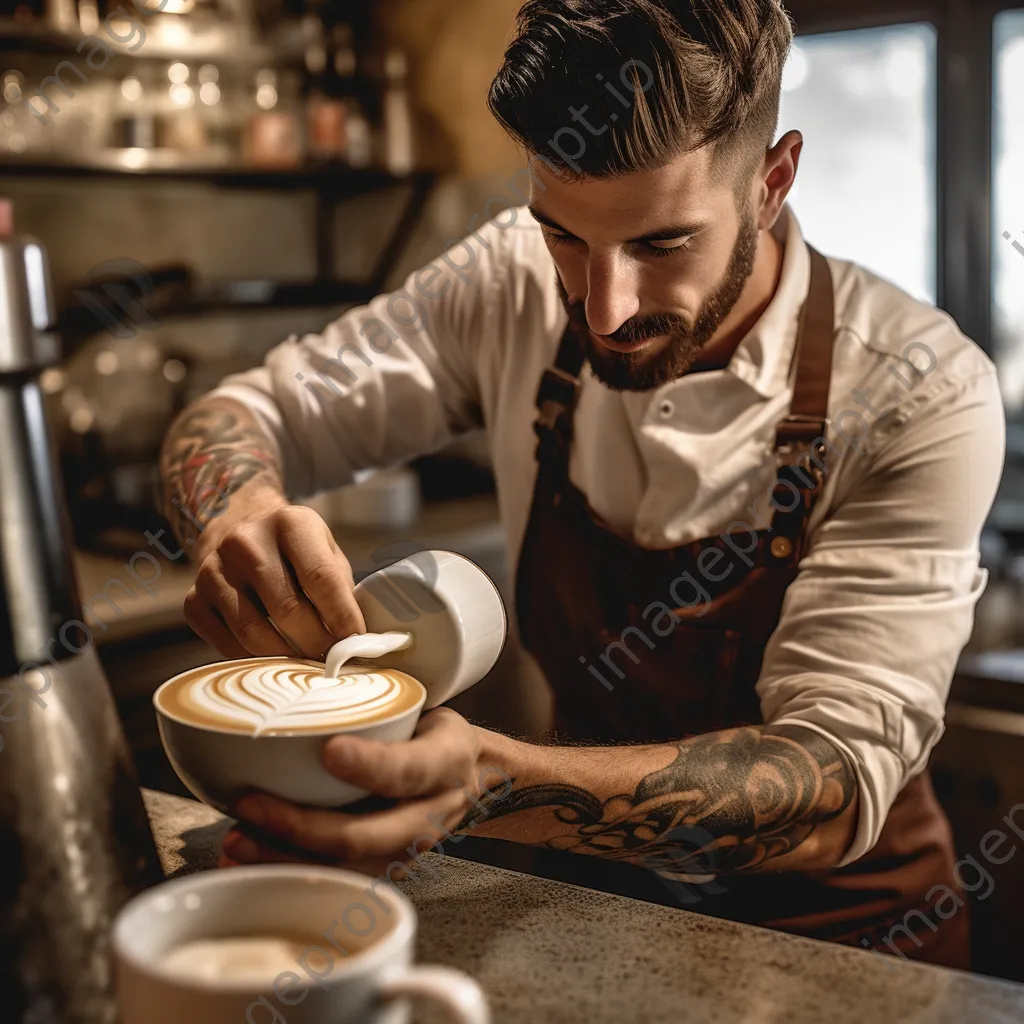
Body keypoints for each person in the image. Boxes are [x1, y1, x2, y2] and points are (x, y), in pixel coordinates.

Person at [158, 0, 1005, 967]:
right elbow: (236, 418)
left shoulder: (921, 389)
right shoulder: (507, 282)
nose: (604, 309)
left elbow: (829, 780)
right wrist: (237, 510)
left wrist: (491, 781)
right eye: (564, 236)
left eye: (661, 244)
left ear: (772, 183)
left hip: (847, 944)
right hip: (595, 918)